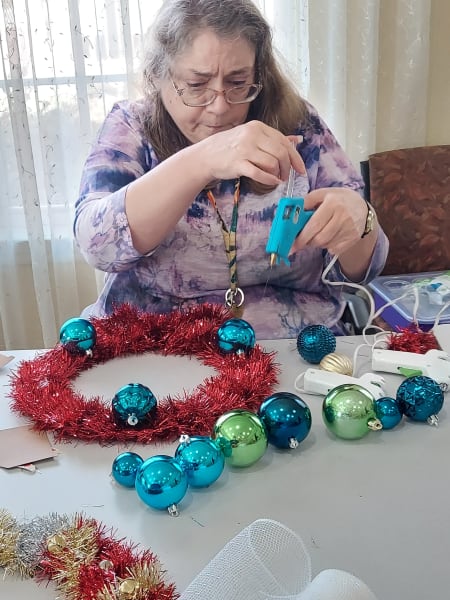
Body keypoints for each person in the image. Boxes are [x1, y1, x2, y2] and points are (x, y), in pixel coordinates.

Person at [74, 0, 388, 340]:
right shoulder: (133, 127)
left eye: (239, 83)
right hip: (157, 348)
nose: (221, 107)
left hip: (298, 346)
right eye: (196, 85)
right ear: (158, 76)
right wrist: (202, 160)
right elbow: (97, 245)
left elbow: (362, 270)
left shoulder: (299, 124)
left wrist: (361, 223)